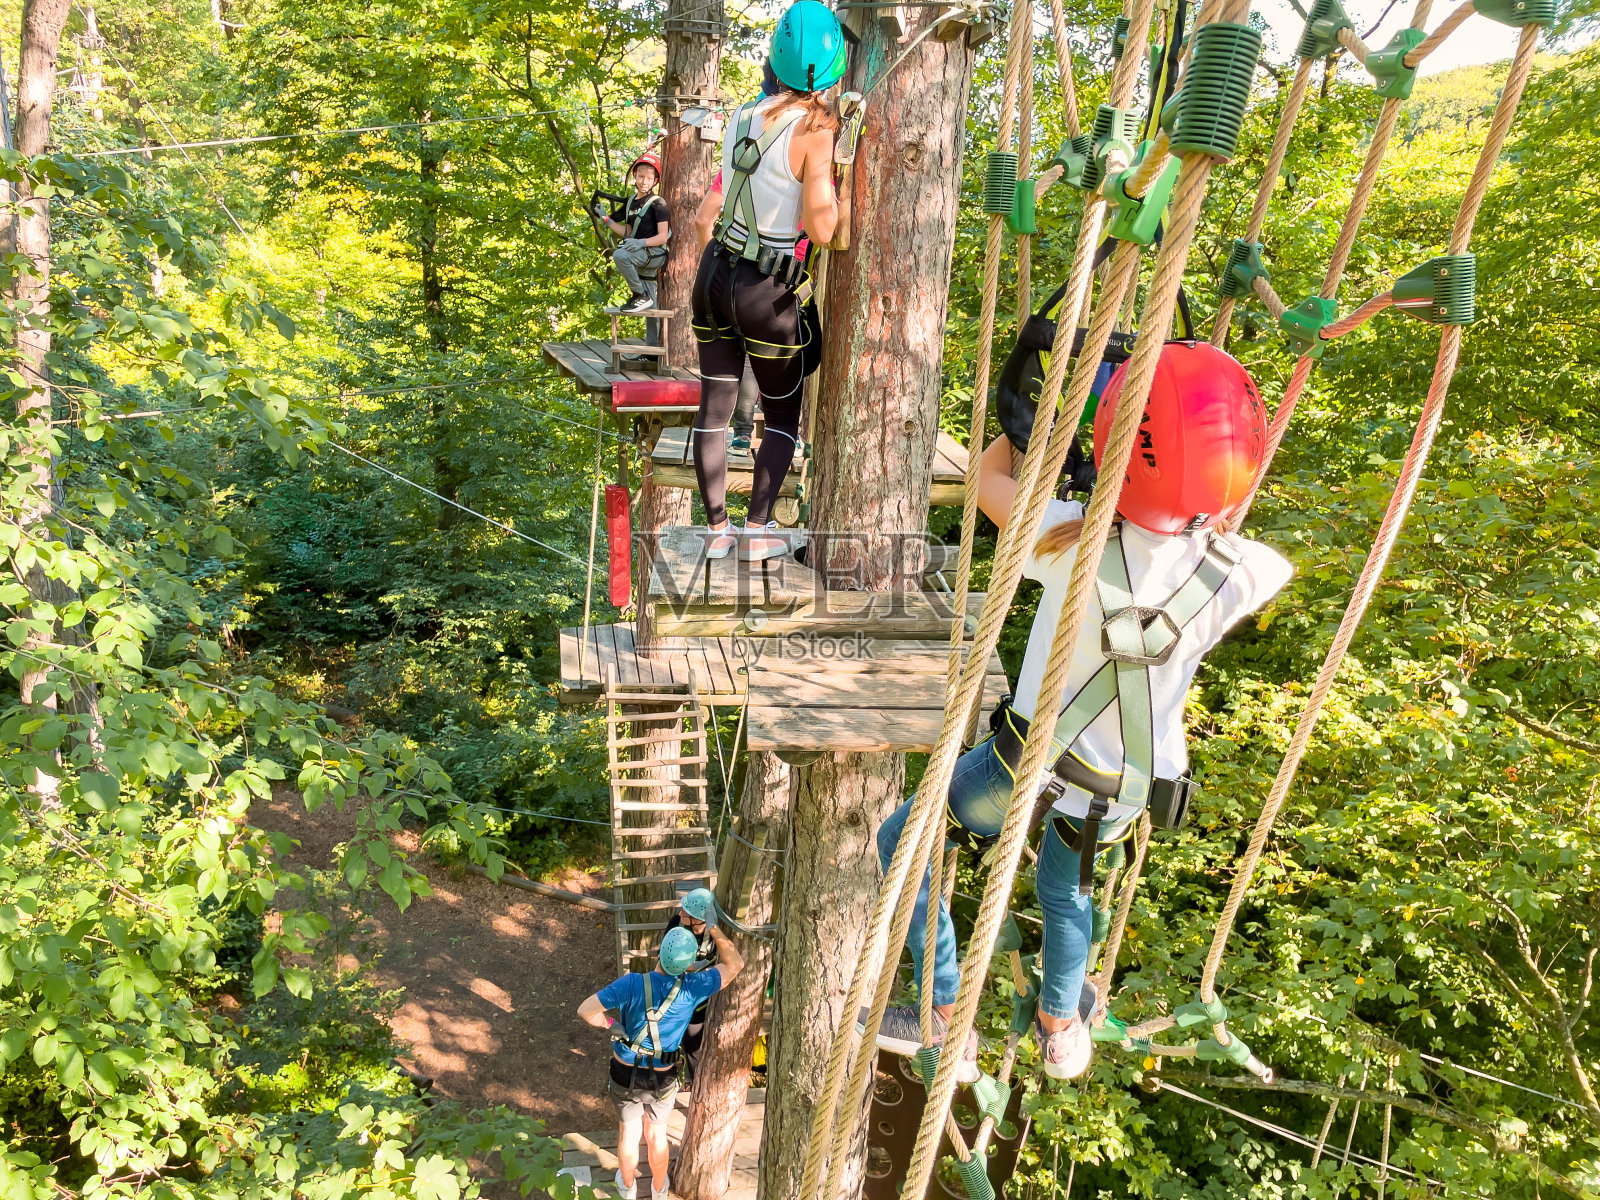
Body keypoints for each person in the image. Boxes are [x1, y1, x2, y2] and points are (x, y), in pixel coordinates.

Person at [863, 342, 1295, 1082]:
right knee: (1066, 892)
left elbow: (988, 478)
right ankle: (1060, 1027)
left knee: (903, 841)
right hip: (1126, 790)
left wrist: (1037, 404)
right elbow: (1226, 528)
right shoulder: (1245, 572)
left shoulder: (1068, 537)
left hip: (1024, 767)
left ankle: (943, 1016)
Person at [688, 0, 844, 563]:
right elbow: (822, 229)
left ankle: (717, 531)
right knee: (780, 414)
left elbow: (712, 212)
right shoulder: (817, 129)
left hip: (715, 273)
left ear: (776, 60)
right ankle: (756, 532)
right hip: (766, 287)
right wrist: (840, 187)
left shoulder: (739, 115)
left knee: (714, 409)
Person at [579, 922, 744, 1200]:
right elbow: (735, 964)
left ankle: (628, 1188)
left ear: (659, 953)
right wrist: (713, 927)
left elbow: (586, 1010)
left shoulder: (631, 983)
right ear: (688, 965)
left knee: (630, 1133)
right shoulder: (693, 987)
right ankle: (659, 1189)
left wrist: (611, 1024)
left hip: (624, 1073)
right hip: (663, 1077)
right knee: (656, 1134)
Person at [597, 151, 672, 342]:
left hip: (655, 253)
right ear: (635, 176)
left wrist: (640, 243)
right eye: (641, 176)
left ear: (655, 181)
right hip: (640, 252)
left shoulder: (658, 204)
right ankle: (652, 351)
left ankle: (639, 294)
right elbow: (628, 234)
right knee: (651, 306)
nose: (644, 181)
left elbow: (663, 236)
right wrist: (606, 219)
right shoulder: (631, 201)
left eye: (649, 178)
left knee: (620, 255)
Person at [660, 888, 721, 1082]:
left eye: (686, 914)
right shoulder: (676, 924)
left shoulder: (715, 934)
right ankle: (695, 1081)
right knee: (691, 1044)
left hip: (708, 992)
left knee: (701, 1041)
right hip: (682, 993)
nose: (680, 914)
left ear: (699, 920)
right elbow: (668, 959)